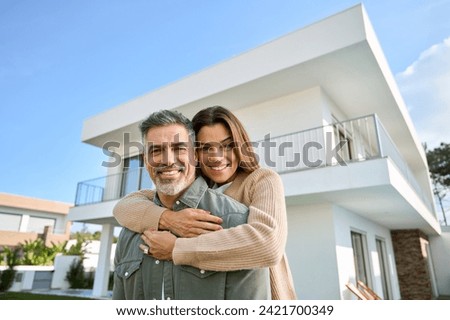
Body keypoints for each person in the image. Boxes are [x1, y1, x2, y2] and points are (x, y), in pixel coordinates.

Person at [114, 106, 297, 299]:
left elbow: (268, 245)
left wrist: (176, 249)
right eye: (206, 148)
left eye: (227, 145)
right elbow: (124, 207)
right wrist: (169, 219)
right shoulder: (191, 184)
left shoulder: (261, 180)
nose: (217, 157)